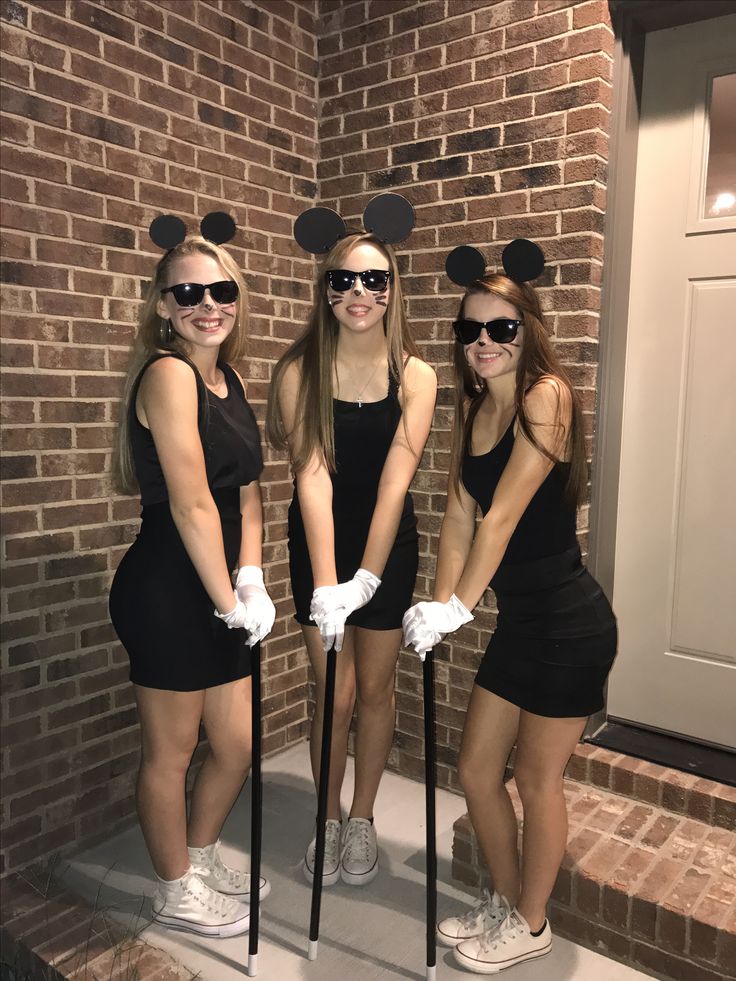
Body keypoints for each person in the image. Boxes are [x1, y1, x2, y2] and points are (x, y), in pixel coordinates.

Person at [403, 246, 617, 974]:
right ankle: (504, 897)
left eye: (500, 329)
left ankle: (532, 922)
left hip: (569, 623)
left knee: (536, 781)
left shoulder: (545, 396)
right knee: (474, 769)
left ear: (528, 330)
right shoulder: (474, 409)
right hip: (523, 621)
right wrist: (434, 607)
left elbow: (500, 519)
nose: (484, 343)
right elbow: (459, 516)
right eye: (470, 331)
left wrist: (460, 608)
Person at [109, 220, 275, 937]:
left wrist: (254, 578)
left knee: (235, 746)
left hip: (222, 585)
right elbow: (191, 500)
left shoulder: (228, 378)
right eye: (189, 291)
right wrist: (226, 599)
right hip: (171, 591)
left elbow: (246, 492)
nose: (208, 303)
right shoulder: (169, 374)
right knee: (171, 753)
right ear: (162, 304)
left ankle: (198, 856)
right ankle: (172, 889)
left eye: (221, 289)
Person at [266, 229, 437, 888]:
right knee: (332, 694)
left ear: (391, 290)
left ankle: (362, 816)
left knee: (375, 689)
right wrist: (331, 582)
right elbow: (311, 474)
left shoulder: (415, 374)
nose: (358, 292)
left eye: (373, 279)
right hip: (318, 546)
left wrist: (366, 577)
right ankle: (327, 817)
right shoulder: (298, 370)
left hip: (388, 548)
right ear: (326, 290)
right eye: (343, 280)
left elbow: (397, 477)